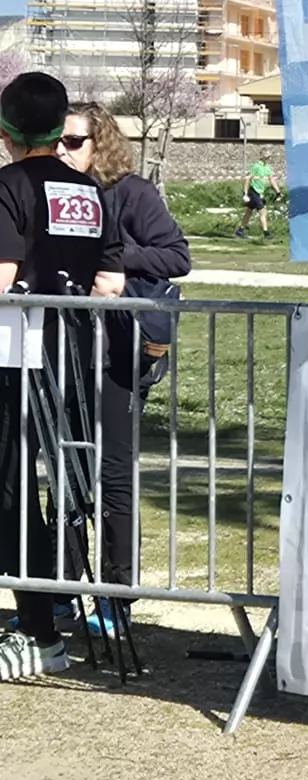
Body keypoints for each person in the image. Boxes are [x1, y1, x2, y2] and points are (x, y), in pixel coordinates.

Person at [0, 72, 125, 681]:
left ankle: (39, 630)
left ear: (6, 132)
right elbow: (110, 280)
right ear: (58, 129)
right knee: (63, 487)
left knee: (13, 490)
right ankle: (48, 612)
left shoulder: (9, 185)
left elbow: (2, 277)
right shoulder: (89, 190)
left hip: (16, 354)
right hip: (74, 350)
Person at [54, 102, 188, 605]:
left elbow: (177, 256)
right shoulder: (53, 192)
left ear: (100, 145)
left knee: (113, 471)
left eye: (73, 141)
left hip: (118, 352)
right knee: (65, 469)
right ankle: (61, 590)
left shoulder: (131, 193)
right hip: (62, 346)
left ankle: (118, 596)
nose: (62, 151)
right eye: (57, 140)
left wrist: (114, 256)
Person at [236, 154, 274, 238]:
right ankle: (266, 233)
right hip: (253, 192)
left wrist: (278, 192)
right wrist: (245, 193)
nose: (269, 157)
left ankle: (240, 230)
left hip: (259, 193)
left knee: (249, 212)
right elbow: (247, 179)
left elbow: (271, 179)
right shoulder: (256, 166)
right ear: (262, 156)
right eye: (267, 155)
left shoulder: (267, 167)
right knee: (263, 211)